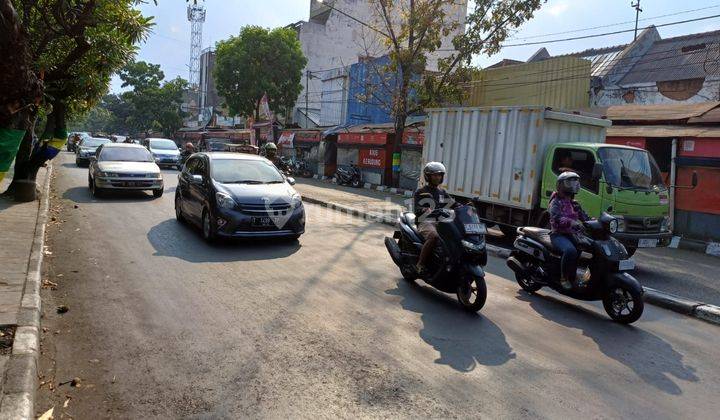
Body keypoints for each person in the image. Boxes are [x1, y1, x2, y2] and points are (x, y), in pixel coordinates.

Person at [413, 162, 458, 274]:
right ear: (428, 176)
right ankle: (420, 264)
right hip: (425, 222)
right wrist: (424, 210)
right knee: (433, 236)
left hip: (441, 222)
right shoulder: (421, 192)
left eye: (439, 175)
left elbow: (453, 204)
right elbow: (417, 208)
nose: (438, 177)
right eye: (434, 175)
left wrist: (466, 207)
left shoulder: (442, 192)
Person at [548, 171, 590, 290]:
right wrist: (570, 222)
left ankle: (572, 274)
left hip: (572, 234)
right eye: (570, 182)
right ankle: (564, 278)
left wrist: (598, 222)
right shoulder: (555, 202)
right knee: (570, 251)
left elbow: (585, 217)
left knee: (584, 246)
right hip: (558, 235)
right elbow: (556, 218)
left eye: (575, 182)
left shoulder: (574, 204)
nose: (574, 185)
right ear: (561, 185)